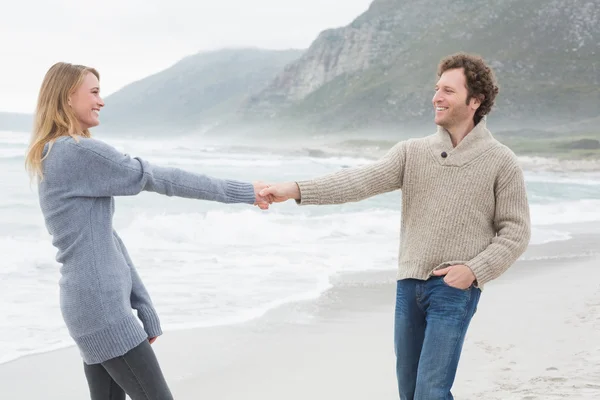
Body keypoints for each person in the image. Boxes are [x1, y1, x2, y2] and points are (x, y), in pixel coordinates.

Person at [259, 53, 531, 399]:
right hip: (408, 288)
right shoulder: (411, 152)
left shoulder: (500, 161)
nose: (436, 97)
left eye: (448, 90)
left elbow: (516, 231)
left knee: (431, 392)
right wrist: (295, 189)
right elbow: (359, 181)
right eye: (436, 89)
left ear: (475, 101)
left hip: (454, 290)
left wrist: (473, 271)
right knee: (409, 391)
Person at [25, 62, 272, 400]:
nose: (102, 101)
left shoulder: (55, 153)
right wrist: (244, 191)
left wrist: (143, 303)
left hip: (90, 303)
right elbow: (161, 178)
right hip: (101, 306)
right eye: (94, 92)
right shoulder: (76, 153)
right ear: (68, 97)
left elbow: (106, 239)